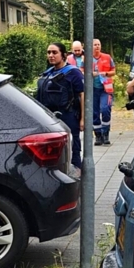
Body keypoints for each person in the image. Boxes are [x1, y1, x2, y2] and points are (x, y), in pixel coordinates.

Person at [36, 42, 85, 171]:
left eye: (54, 52)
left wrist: (83, 119)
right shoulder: (47, 74)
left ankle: (77, 174)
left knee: (72, 148)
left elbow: (83, 95)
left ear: (63, 55)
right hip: (50, 118)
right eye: (49, 52)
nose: (51, 55)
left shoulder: (73, 73)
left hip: (68, 116)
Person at [92, 39, 116, 146]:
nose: (97, 46)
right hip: (92, 89)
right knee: (94, 113)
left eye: (98, 44)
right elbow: (81, 71)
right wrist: (90, 73)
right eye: (95, 45)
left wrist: (106, 73)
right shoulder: (87, 58)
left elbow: (113, 71)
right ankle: (98, 135)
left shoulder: (107, 57)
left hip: (106, 89)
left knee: (105, 109)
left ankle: (105, 133)